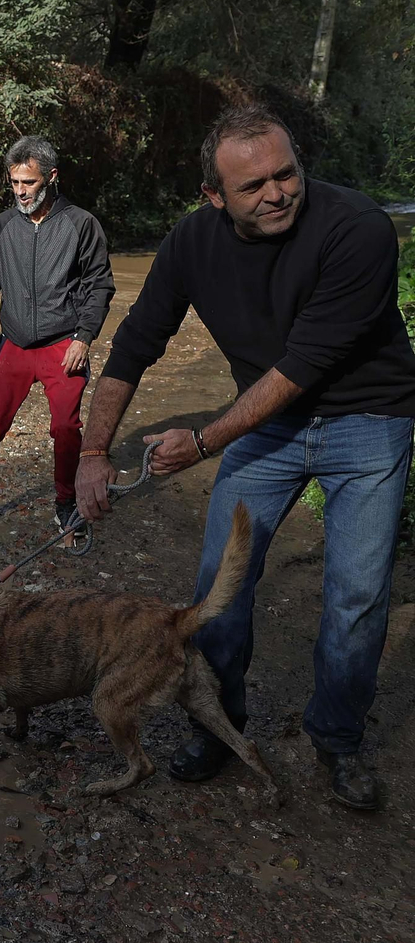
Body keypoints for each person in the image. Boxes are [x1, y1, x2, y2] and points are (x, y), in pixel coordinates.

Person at [76, 104, 415, 811]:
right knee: (218, 589)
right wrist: (93, 450)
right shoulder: (190, 244)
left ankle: (338, 737)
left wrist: (202, 441)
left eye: (285, 174)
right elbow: (136, 343)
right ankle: (219, 721)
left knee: (356, 595)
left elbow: (303, 365)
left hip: (368, 421)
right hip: (267, 430)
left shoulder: (358, 229)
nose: (277, 192)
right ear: (213, 197)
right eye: (253, 185)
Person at [0, 136, 115, 538]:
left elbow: (99, 286)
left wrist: (84, 337)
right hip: (15, 345)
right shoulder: (3, 226)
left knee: (64, 429)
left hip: (64, 345)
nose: (20, 191)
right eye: (14, 183)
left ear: (51, 177)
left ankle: (64, 502)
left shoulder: (81, 224)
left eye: (29, 182)